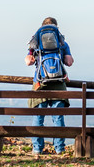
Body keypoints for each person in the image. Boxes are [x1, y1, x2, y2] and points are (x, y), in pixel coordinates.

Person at [25, 17, 74, 155]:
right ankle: (59, 149)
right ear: (56, 28)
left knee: (38, 117)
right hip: (58, 83)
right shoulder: (62, 42)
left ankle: (37, 149)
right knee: (58, 117)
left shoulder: (35, 41)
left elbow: (28, 61)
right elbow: (69, 62)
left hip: (40, 83)